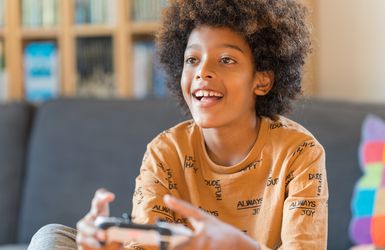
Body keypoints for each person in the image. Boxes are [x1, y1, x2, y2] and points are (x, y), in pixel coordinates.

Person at [28, 0, 328, 249]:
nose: (202, 72)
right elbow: (144, 244)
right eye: (192, 59)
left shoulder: (299, 152)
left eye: (226, 59)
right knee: (52, 237)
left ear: (262, 79)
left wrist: (240, 246)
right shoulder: (164, 151)